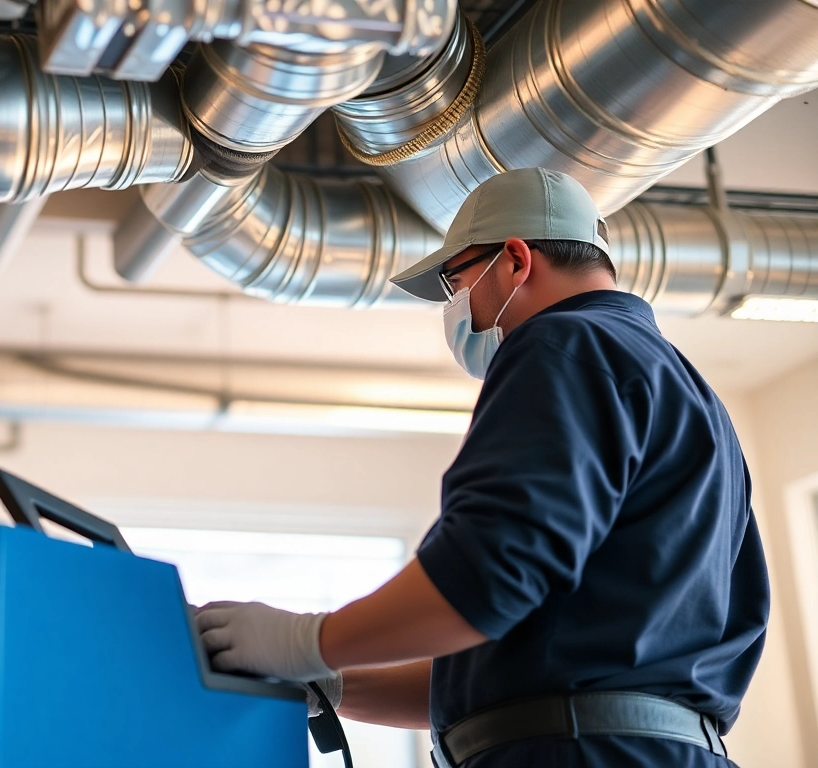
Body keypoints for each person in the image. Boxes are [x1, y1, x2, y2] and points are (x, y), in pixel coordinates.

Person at [194, 168, 767, 767]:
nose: (453, 305)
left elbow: (486, 579)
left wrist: (304, 640)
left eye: (454, 280)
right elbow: (508, 670)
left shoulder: (562, 344)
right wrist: (326, 681)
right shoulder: (684, 393)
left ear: (516, 261)